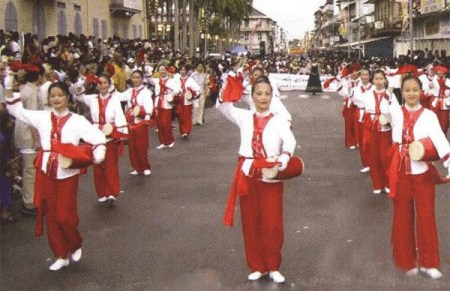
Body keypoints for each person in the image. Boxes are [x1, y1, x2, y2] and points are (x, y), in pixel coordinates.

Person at [5, 81, 106, 271]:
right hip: (46, 171)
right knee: (51, 215)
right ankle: (60, 254)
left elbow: (98, 137)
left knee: (64, 216)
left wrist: (99, 152)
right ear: (48, 99)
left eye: (60, 95)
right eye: (53, 96)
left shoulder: (77, 120)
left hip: (67, 172)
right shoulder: (42, 117)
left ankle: (75, 243)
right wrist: (9, 86)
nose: (56, 99)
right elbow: (16, 110)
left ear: (67, 97)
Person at [217, 76, 296, 283]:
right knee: (251, 222)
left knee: (272, 223)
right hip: (248, 172)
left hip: (270, 173)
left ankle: (273, 266)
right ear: (251, 97)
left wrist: (285, 157)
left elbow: (290, 141)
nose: (263, 98)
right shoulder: (244, 117)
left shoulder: (279, 119)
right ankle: (257, 266)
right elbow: (224, 106)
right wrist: (229, 87)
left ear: (272, 96)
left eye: (267, 93)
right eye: (259, 94)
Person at [388, 75, 450, 279]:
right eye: (407, 90)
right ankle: (406, 261)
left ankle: (429, 262)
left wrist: (448, 163)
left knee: (426, 217)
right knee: (402, 217)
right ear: (402, 92)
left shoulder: (429, 116)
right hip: (400, 173)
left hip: (422, 172)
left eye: (415, 89)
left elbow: (441, 141)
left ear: (421, 91)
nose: (411, 94)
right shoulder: (396, 112)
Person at [74, 74, 128, 204]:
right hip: (96, 135)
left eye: (105, 83)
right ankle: (101, 192)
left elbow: (119, 116)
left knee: (110, 165)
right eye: (100, 83)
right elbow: (77, 95)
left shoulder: (114, 99)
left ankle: (111, 193)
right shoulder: (92, 99)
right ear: (96, 85)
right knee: (98, 166)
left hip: (110, 134)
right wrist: (83, 83)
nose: (102, 85)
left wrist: (121, 131)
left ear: (109, 84)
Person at [353, 69, 399, 194]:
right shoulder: (367, 94)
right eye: (376, 79)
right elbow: (354, 99)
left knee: (385, 157)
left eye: (381, 78)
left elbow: (396, 111)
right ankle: (377, 184)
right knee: (373, 157)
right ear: (373, 80)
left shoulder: (390, 94)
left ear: (385, 80)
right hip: (371, 126)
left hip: (385, 127)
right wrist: (351, 82)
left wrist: (392, 121)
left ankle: (387, 183)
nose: (379, 81)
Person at [118, 70, 153, 175]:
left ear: (142, 79)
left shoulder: (146, 92)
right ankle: (137, 167)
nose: (136, 79)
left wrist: (147, 115)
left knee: (141, 146)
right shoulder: (129, 91)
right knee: (132, 146)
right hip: (130, 121)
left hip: (141, 122)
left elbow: (149, 106)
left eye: (138, 77)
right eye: (134, 77)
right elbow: (119, 96)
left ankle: (145, 166)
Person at [152, 64, 180, 149]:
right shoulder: (156, 80)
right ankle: (163, 142)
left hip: (167, 104)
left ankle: (170, 141)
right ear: (158, 71)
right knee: (159, 124)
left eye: (164, 69)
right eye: (160, 70)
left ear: (166, 70)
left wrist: (170, 95)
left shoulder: (171, 81)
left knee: (166, 124)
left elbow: (177, 90)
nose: (162, 71)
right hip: (158, 104)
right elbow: (148, 78)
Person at [173, 64, 201, 138]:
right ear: (179, 71)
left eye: (184, 70)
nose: (183, 71)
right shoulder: (176, 79)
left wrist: (194, 94)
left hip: (187, 101)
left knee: (187, 116)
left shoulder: (190, 80)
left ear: (186, 71)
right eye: (181, 70)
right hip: (179, 100)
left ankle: (186, 131)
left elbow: (197, 89)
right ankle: (182, 131)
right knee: (180, 117)